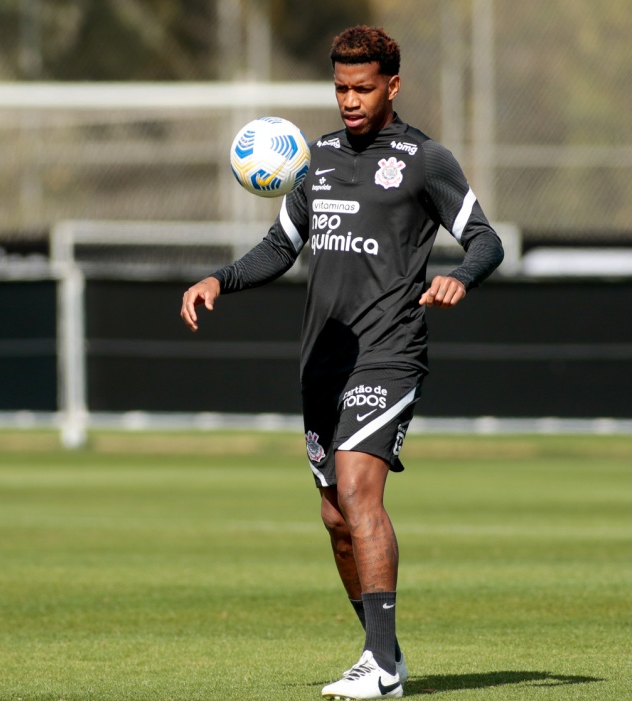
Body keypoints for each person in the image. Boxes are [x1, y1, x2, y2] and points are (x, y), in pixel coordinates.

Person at [181, 25, 503, 700]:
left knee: (359, 491)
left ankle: (379, 667)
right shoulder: (315, 160)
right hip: (321, 363)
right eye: (339, 87)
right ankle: (383, 652)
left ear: (392, 85)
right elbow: (279, 247)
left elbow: (483, 238)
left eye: (361, 88)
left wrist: (460, 279)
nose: (348, 100)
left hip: (388, 350)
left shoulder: (424, 159)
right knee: (334, 517)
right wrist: (220, 278)